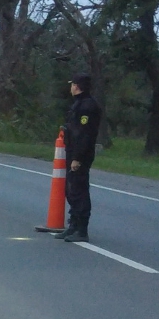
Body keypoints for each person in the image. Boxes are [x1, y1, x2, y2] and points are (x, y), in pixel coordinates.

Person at [57, 73, 101, 243]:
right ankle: (73, 225)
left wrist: (77, 158)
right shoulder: (79, 104)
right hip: (72, 151)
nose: (70, 87)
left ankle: (82, 230)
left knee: (79, 191)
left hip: (80, 154)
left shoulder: (87, 106)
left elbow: (85, 135)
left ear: (76, 86)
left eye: (72, 84)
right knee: (71, 190)